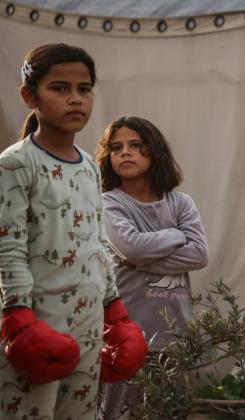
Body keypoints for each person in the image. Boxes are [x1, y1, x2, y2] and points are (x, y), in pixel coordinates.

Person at [0, 43, 147, 420]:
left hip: (87, 328)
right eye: (60, 88)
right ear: (29, 95)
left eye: (84, 89)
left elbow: (98, 243)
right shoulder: (15, 164)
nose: (75, 99)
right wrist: (17, 321)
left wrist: (115, 312)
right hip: (36, 326)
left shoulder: (88, 167)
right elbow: (8, 247)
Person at [94, 115, 209, 419]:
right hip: (126, 335)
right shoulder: (109, 203)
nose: (125, 152)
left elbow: (198, 254)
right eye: (116, 147)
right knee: (119, 412)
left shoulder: (180, 203)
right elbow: (130, 246)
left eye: (135, 145)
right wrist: (174, 235)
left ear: (154, 151)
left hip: (175, 334)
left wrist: (138, 257)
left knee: (170, 412)